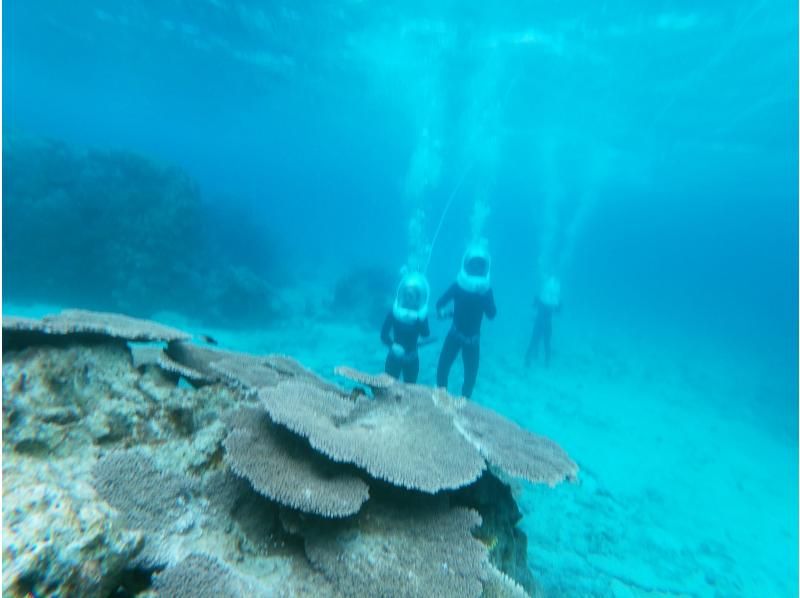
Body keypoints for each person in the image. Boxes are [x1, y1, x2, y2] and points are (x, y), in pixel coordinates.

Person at [435, 242, 497, 398]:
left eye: (479, 266)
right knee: (443, 368)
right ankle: (441, 401)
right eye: (473, 266)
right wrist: (445, 313)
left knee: (470, 378)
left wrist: (483, 296)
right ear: (466, 266)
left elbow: (491, 314)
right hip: (456, 335)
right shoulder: (459, 285)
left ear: (485, 268)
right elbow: (439, 304)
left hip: (471, 341)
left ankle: (464, 406)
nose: (476, 270)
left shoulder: (486, 290)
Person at [381, 271, 431, 383]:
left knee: (410, 390)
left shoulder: (421, 315)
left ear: (418, 298)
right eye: (407, 295)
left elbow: (426, 333)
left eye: (412, 296)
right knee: (387, 387)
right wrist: (392, 345)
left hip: (412, 358)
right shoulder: (394, 312)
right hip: (394, 356)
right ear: (402, 294)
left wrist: (420, 319)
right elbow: (383, 335)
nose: (408, 298)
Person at [525, 276, 561, 367]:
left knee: (534, 340)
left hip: (538, 322)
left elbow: (533, 306)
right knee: (546, 342)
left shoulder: (540, 298)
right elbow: (558, 310)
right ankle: (547, 363)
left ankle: (527, 360)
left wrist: (538, 300)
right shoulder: (554, 300)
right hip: (548, 324)